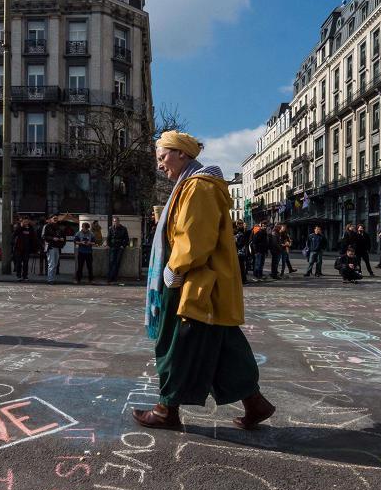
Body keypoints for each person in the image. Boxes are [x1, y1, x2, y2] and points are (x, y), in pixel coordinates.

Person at [137, 131, 274, 431]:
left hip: (194, 284)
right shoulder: (192, 186)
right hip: (206, 285)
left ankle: (166, 410)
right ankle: (255, 403)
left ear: (182, 154)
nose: (160, 165)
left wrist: (175, 269)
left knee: (176, 345)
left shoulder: (197, 187)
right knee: (222, 348)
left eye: (162, 157)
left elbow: (195, 236)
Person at [41, 217, 66, 285]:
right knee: (51, 264)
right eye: (54, 218)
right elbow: (43, 236)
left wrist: (62, 239)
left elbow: (63, 236)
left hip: (57, 247)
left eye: (56, 218)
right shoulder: (47, 226)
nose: (55, 219)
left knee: (55, 264)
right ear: (50, 219)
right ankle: (50, 279)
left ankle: (52, 279)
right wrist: (52, 238)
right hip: (50, 247)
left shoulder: (58, 227)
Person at [106, 217, 130, 283]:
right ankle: (109, 277)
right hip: (113, 246)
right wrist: (109, 245)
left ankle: (114, 277)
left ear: (119, 222)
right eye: (114, 221)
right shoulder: (111, 228)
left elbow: (127, 239)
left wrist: (123, 246)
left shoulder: (124, 229)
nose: (115, 222)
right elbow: (108, 238)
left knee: (117, 262)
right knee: (111, 262)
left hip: (120, 247)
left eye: (116, 221)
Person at [233, 220, 250, 285]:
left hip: (241, 252)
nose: (241, 225)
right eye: (240, 224)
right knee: (240, 267)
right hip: (239, 252)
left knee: (242, 266)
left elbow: (243, 241)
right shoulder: (237, 232)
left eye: (242, 224)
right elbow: (238, 243)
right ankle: (242, 280)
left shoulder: (242, 232)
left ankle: (243, 279)